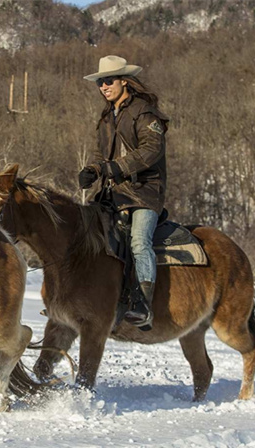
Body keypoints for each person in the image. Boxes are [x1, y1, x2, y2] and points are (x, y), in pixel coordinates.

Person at [78, 55, 169, 331]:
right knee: (83, 234)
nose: (103, 86)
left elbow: (151, 151)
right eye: (100, 82)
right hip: (113, 193)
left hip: (144, 192)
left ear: (124, 81)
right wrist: (92, 169)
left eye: (108, 81)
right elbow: (99, 154)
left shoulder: (145, 112)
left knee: (140, 242)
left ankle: (143, 305)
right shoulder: (106, 117)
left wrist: (113, 168)